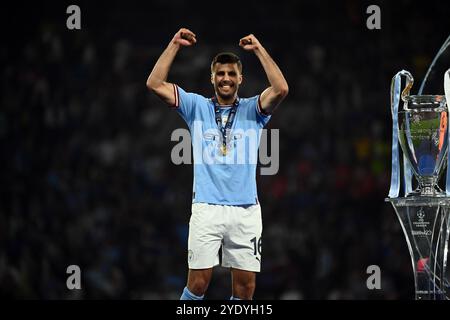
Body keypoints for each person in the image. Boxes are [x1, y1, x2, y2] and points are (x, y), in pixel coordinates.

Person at [146, 28, 288, 300]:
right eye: (220, 73)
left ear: (240, 79)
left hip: (245, 210)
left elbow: (281, 88)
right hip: (206, 209)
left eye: (232, 74)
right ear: (212, 78)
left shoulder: (253, 109)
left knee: (245, 290)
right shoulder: (195, 106)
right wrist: (174, 44)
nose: (226, 78)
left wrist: (259, 49)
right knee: (198, 284)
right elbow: (154, 83)